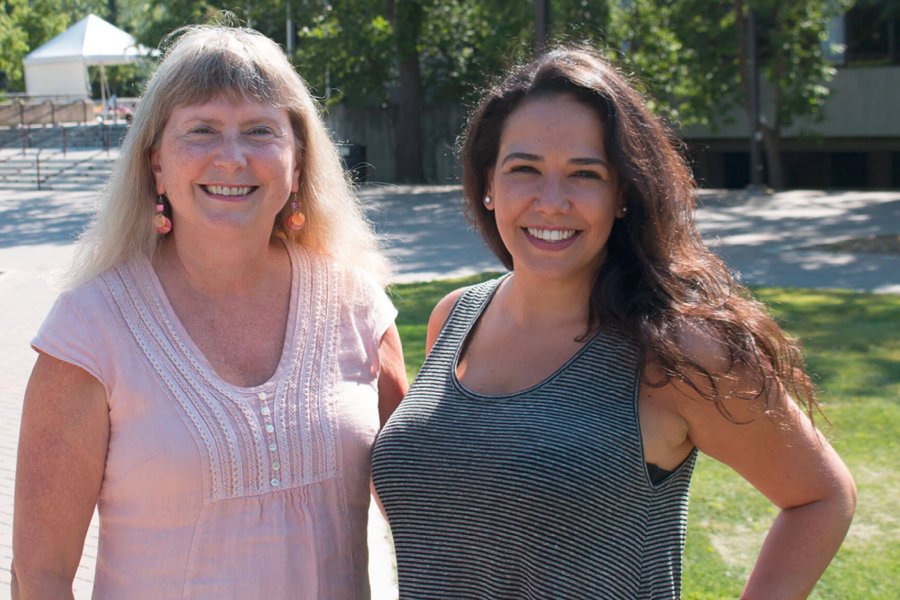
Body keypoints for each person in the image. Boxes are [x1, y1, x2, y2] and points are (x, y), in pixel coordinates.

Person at [371, 46, 856, 599]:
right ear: (487, 183)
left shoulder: (678, 351)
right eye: (524, 169)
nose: (551, 202)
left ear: (623, 193)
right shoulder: (454, 318)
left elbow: (820, 497)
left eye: (586, 174)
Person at [11, 25, 407, 600]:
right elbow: (38, 576)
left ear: (297, 165)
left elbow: (427, 510)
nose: (231, 157)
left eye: (259, 131)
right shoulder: (89, 332)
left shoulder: (358, 307)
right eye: (201, 131)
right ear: (156, 166)